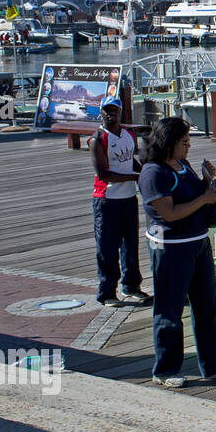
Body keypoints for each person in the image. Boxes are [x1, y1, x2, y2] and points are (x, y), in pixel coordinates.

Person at [138, 117, 216, 388]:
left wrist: (207, 182)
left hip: (198, 242)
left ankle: (214, 364)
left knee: (207, 306)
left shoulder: (182, 165)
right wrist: (205, 198)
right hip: (171, 247)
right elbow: (169, 213)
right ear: (168, 143)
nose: (189, 146)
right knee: (169, 309)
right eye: (184, 142)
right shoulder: (153, 173)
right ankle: (165, 369)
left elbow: (195, 197)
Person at [91, 96, 147, 307]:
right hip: (107, 199)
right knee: (107, 247)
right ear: (101, 113)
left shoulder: (128, 134)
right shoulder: (98, 138)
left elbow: (131, 158)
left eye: (114, 109)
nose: (110, 113)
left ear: (121, 112)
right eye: (106, 110)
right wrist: (134, 177)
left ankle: (131, 286)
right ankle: (107, 292)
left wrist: (144, 172)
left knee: (130, 244)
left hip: (128, 198)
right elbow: (103, 173)